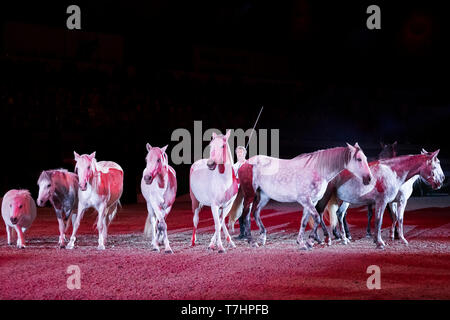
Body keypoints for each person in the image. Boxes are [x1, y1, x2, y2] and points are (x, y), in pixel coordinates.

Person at [231, 146, 247, 240]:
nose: (239, 154)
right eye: (238, 152)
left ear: (244, 153)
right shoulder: (234, 166)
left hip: (246, 191)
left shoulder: (248, 164)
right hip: (238, 191)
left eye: (241, 152)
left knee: (246, 212)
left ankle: (246, 233)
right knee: (240, 212)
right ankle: (243, 233)